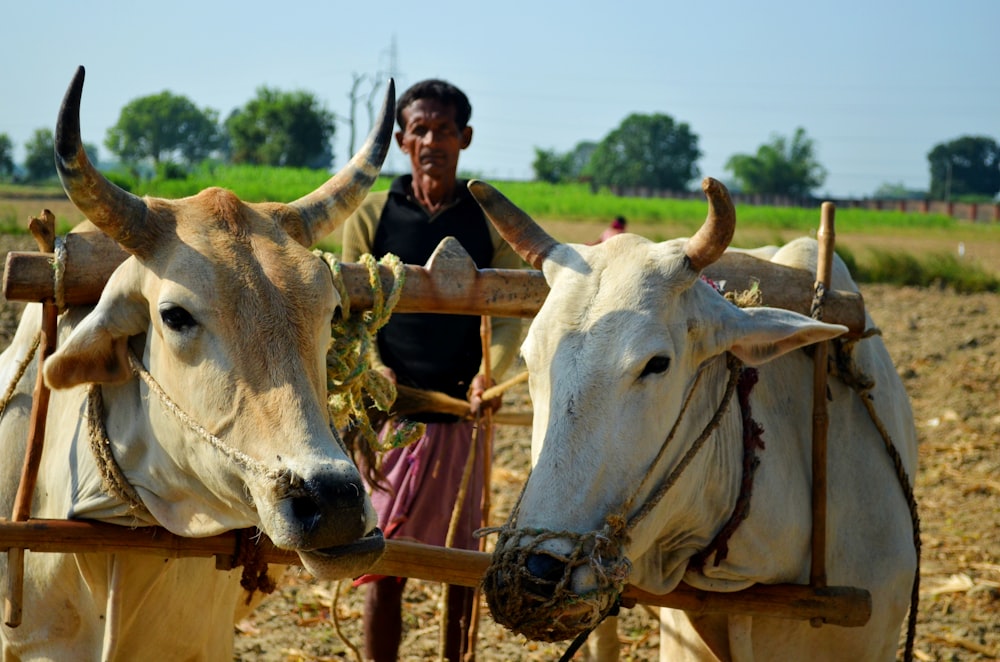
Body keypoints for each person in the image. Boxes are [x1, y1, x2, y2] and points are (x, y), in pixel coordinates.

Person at [341, 79, 523, 662]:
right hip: (389, 418)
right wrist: (373, 370)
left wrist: (489, 375)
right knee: (382, 561)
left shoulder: (490, 220)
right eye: (419, 129)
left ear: (464, 138)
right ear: (401, 140)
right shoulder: (371, 215)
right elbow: (350, 311)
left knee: (460, 564)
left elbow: (513, 314)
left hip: (464, 415)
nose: (431, 141)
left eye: (444, 129)